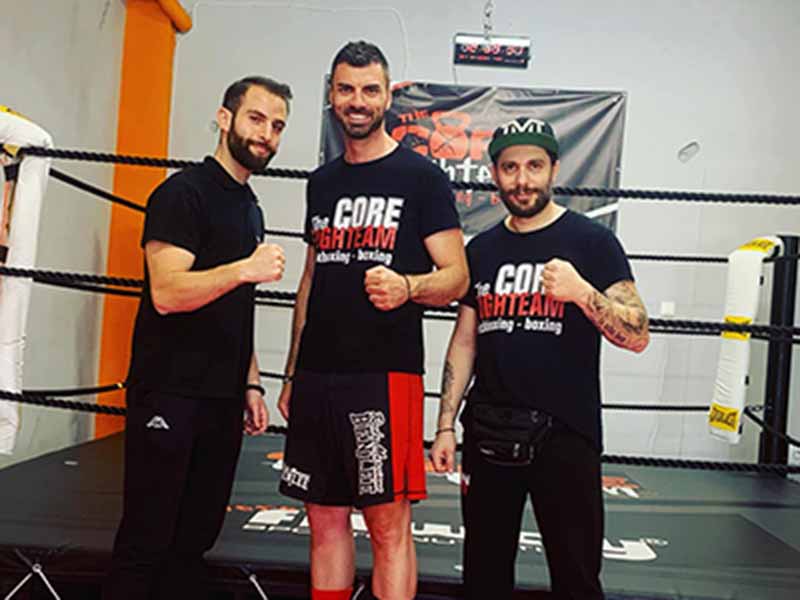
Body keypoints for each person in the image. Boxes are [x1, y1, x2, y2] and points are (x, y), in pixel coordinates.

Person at [277, 41, 468, 600]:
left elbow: (457, 277)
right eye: (346, 89)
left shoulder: (421, 178)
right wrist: (291, 374)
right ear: (332, 96)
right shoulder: (322, 182)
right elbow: (310, 279)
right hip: (318, 377)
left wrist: (409, 286)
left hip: (385, 374)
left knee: (388, 527)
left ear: (387, 97)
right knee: (323, 520)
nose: (356, 101)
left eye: (369, 90)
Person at [430, 117, 650, 600]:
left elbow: (638, 334)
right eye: (510, 168)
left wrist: (582, 292)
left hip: (566, 435)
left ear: (554, 168)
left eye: (534, 166)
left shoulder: (592, 242)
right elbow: (465, 340)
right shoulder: (482, 249)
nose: (522, 179)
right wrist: (445, 424)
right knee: (484, 575)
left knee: (576, 577)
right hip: (489, 431)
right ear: (494, 174)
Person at [105, 76, 292, 600]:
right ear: (225, 118)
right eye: (256, 119)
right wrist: (245, 268)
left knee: (195, 538)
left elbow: (236, 306)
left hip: (222, 396)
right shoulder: (182, 194)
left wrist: (251, 383)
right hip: (170, 390)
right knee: (147, 536)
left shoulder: (249, 206)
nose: (267, 134)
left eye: (278, 126)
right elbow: (167, 292)